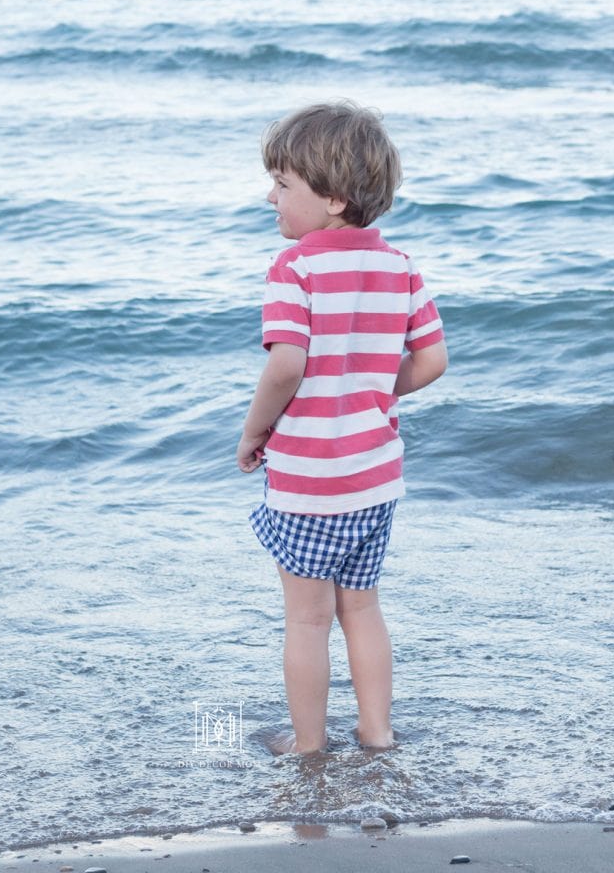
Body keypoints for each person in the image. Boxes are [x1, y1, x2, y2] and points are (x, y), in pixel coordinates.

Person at [237, 101, 447, 754]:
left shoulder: (293, 269)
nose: (269, 196)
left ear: (330, 198)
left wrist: (253, 433)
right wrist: (370, 391)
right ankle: (377, 732)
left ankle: (307, 745)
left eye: (282, 184)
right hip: (375, 479)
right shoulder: (401, 265)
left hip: (309, 480)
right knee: (362, 608)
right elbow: (432, 361)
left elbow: (286, 365)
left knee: (306, 620)